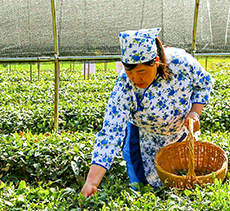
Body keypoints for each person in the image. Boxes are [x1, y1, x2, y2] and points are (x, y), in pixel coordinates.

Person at [81, 28, 214, 196]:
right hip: (143, 143)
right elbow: (111, 133)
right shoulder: (124, 86)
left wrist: (195, 112)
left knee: (182, 190)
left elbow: (204, 83)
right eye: (129, 71)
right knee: (144, 194)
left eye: (141, 71)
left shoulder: (180, 63)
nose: (135, 79)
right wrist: (91, 182)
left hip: (181, 137)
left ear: (156, 62)